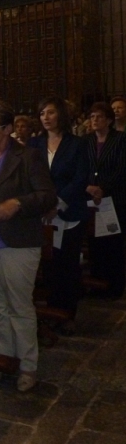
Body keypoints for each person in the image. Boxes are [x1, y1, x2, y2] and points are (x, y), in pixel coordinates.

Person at [0, 100, 56, 392]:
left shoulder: (28, 157)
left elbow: (47, 196)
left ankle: (27, 366)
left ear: (7, 129)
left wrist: (18, 202)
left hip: (17, 243)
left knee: (19, 305)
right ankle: (1, 360)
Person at [28, 96, 89, 332]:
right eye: (42, 113)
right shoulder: (34, 145)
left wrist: (58, 203)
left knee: (67, 266)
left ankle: (67, 313)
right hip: (43, 213)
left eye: (50, 112)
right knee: (48, 266)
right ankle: (50, 311)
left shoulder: (77, 144)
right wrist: (43, 203)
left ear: (60, 115)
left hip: (69, 212)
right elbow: (32, 176)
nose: (46, 118)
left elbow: (80, 177)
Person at [84, 102, 126, 299]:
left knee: (114, 244)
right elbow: (82, 167)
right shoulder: (86, 141)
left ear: (109, 120)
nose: (95, 120)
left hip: (114, 198)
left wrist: (104, 188)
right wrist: (89, 187)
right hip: (91, 199)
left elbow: (121, 168)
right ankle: (97, 284)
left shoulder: (120, 139)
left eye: (99, 117)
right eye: (92, 117)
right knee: (95, 244)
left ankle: (115, 286)